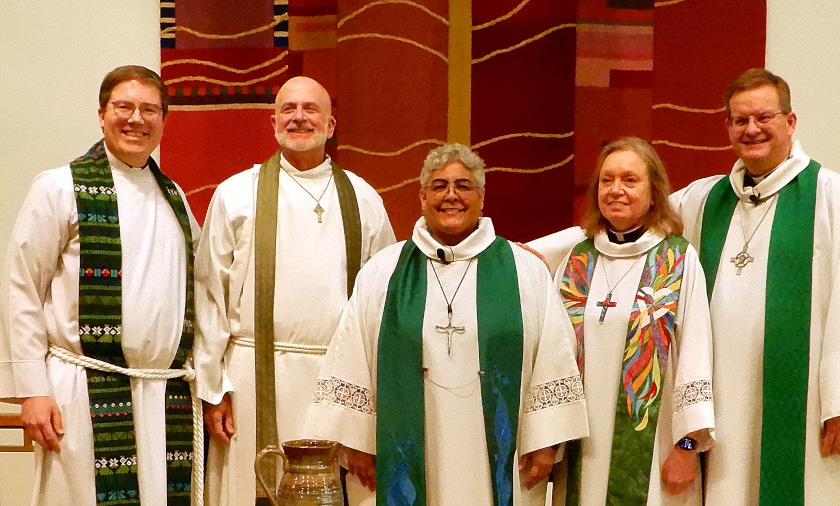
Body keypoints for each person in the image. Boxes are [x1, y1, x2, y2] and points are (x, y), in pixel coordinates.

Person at [303, 144, 589, 505]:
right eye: (439, 186)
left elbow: (553, 352)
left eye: (463, 186)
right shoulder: (383, 270)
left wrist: (546, 440)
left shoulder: (524, 270)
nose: (451, 196)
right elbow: (351, 353)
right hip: (407, 447)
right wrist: (358, 441)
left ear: (482, 197)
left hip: (501, 452)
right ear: (422, 197)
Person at [670, 68, 840, 505]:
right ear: (728, 127)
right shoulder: (704, 199)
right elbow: (633, 220)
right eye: (740, 120)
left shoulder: (828, 194)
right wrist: (537, 251)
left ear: (790, 122)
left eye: (763, 117)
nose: (751, 129)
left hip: (808, 408)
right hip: (722, 404)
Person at [0, 65, 200, 505]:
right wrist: (33, 390)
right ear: (102, 114)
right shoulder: (60, 187)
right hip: (83, 391)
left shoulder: (175, 199)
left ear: (164, 120)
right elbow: (22, 290)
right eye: (124, 107)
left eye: (150, 110)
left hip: (164, 395)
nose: (136, 119)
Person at [193, 75, 395, 505]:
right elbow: (210, 296)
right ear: (273, 122)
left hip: (339, 379)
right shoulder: (235, 194)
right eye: (288, 109)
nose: (299, 117)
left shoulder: (364, 199)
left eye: (310, 109)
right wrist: (215, 389)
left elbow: (385, 300)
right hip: (251, 379)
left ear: (331, 125)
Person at [527, 137, 715, 505]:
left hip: (658, 453)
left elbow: (697, 355)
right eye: (607, 180)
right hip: (581, 451)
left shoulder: (676, 260)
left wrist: (687, 448)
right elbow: (552, 359)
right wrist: (548, 443)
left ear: (654, 192)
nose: (616, 190)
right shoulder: (577, 261)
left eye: (630, 180)